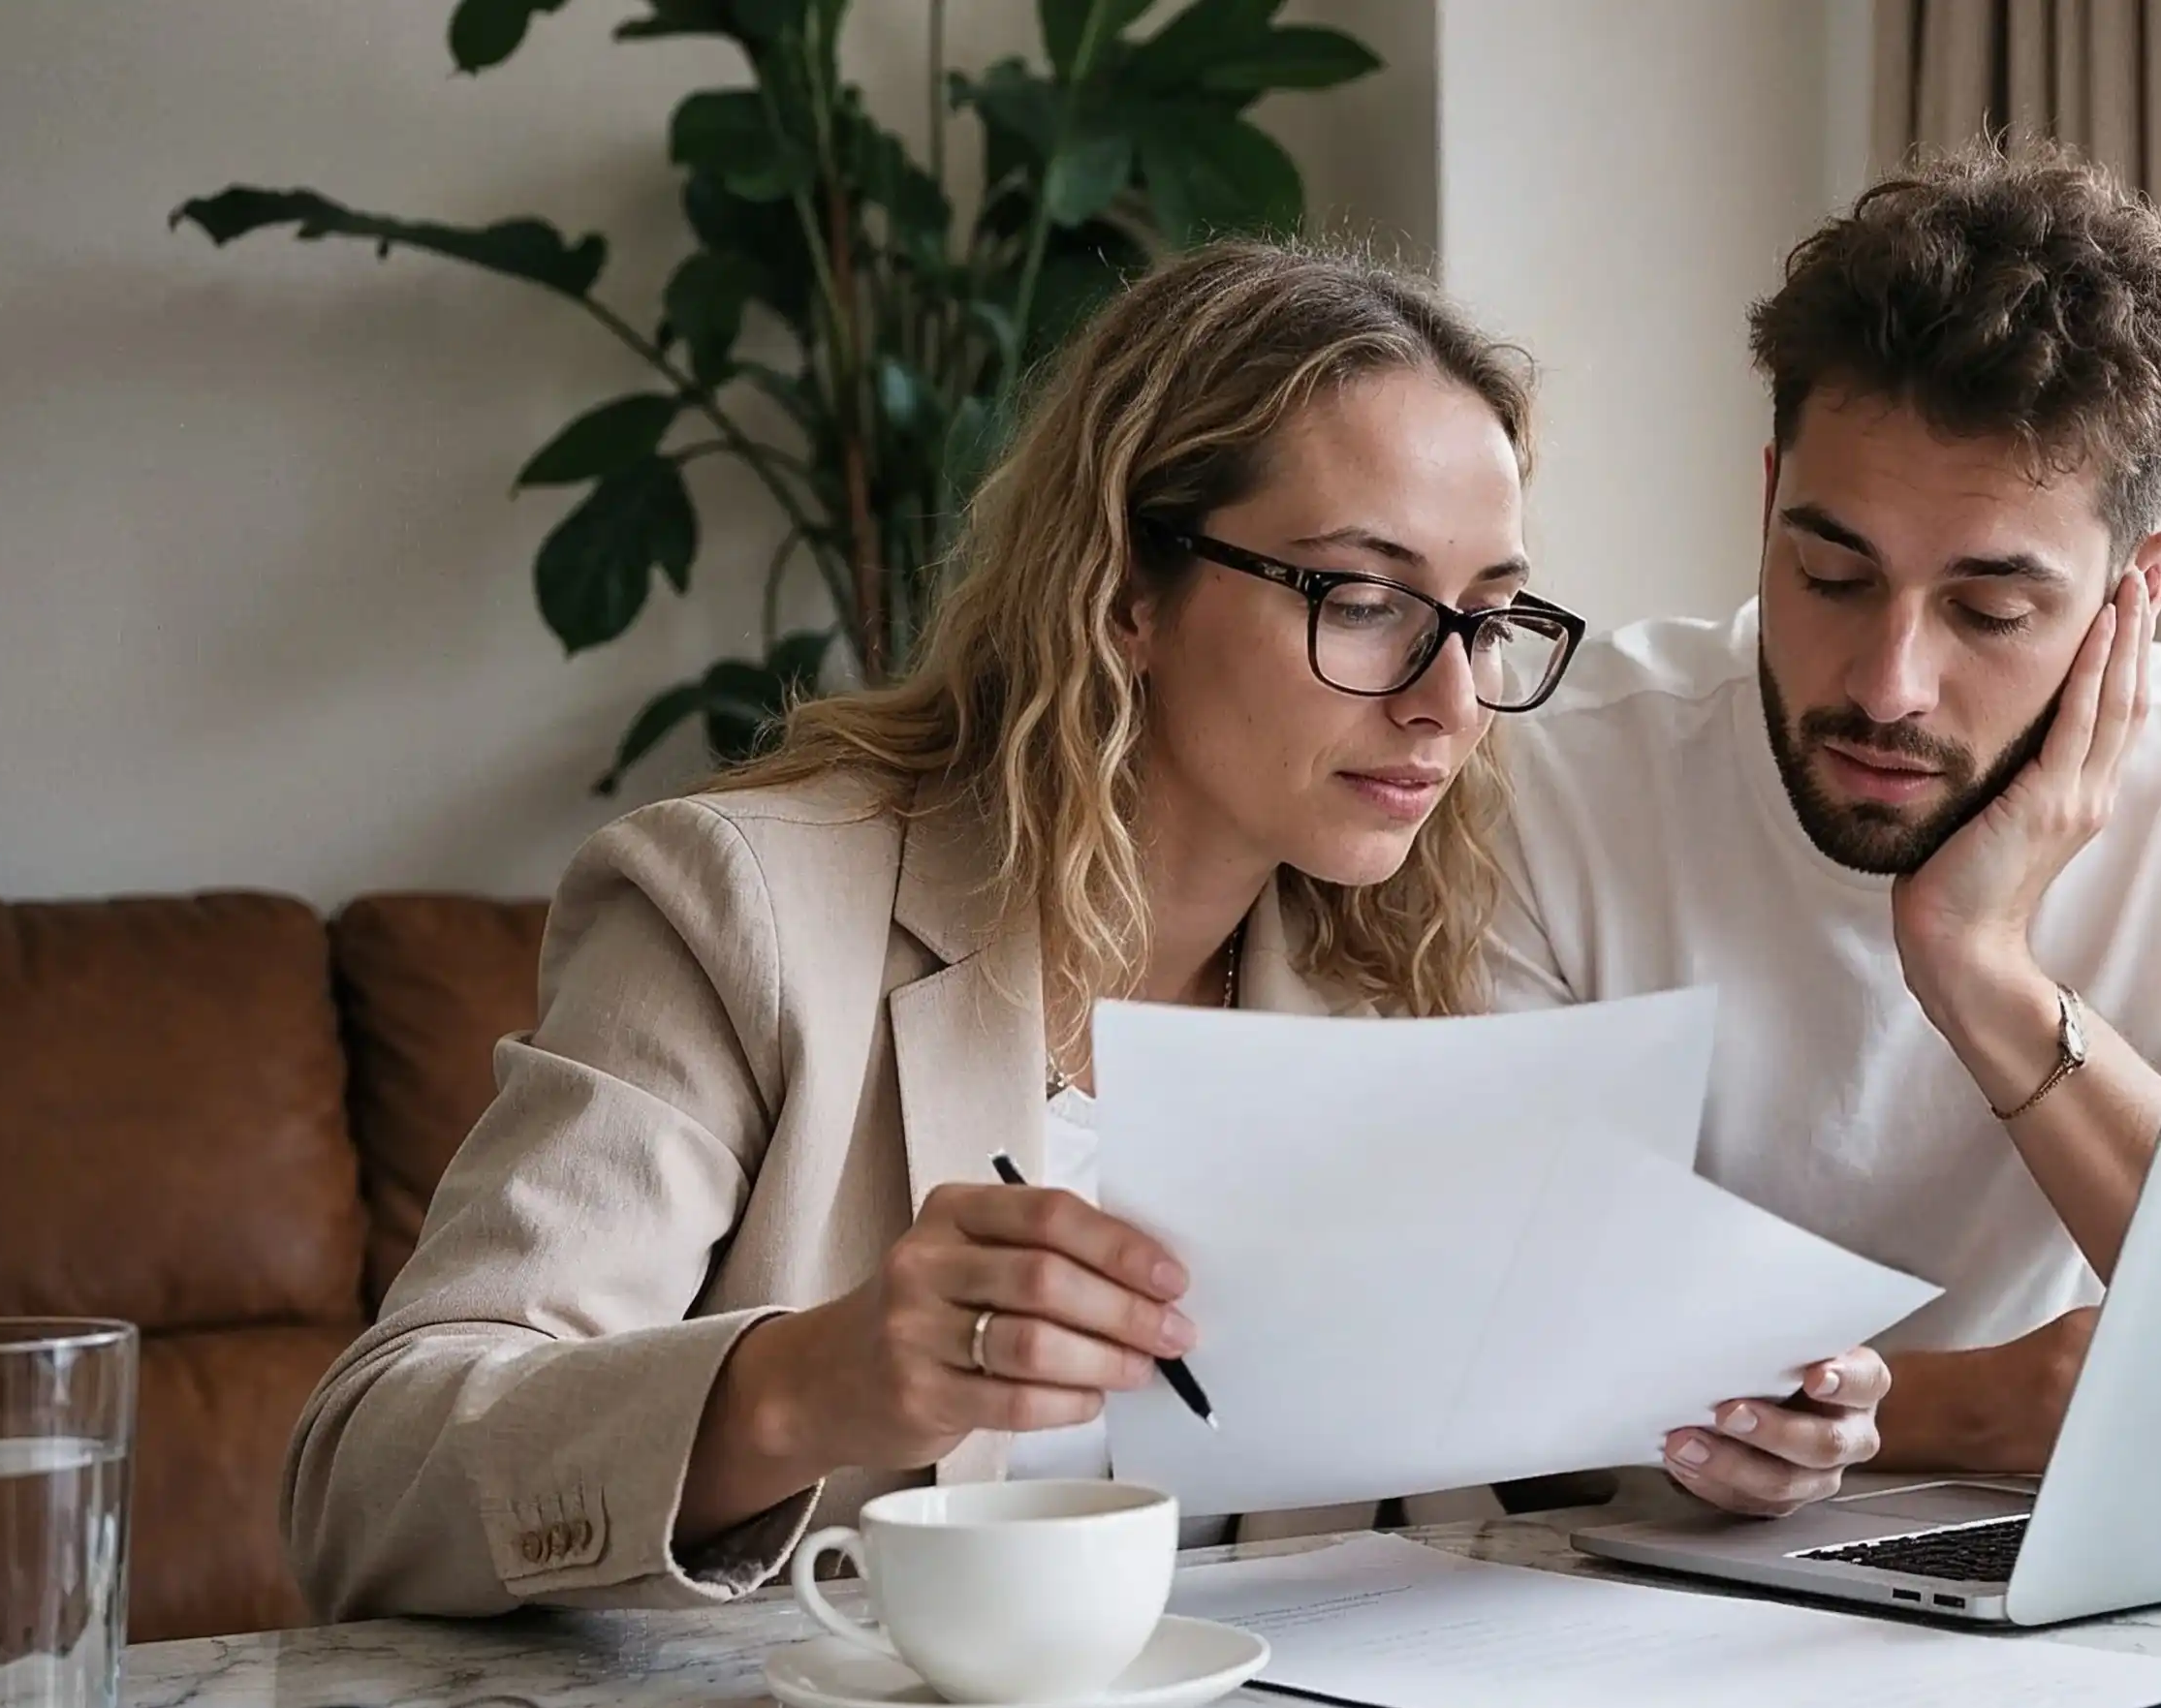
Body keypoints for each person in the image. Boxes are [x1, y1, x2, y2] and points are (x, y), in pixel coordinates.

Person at [284, 240, 1891, 1619]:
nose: (1449, 700)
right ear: (1127, 585)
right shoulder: (741, 914)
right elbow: (373, 1478)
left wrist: (1723, 1428)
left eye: (1483, 616)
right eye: (1363, 596)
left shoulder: (1401, 996)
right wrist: (804, 1384)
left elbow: (1479, 1490)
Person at [1494, 144, 2161, 1508]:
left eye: (1990, 611)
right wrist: (1978, 1406)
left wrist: (1977, 962)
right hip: (1619, 1579)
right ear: (1766, 507)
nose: (1886, 683)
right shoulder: (1553, 773)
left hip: (2077, 1575)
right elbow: (1502, 1362)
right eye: (1830, 572)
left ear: (2134, 594)